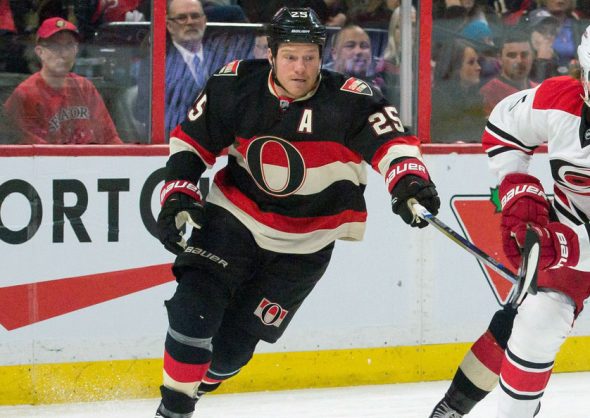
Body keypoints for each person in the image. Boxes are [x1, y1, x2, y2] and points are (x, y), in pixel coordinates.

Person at [153, 7, 441, 418]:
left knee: (230, 354)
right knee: (192, 308)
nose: (300, 67)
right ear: (271, 54)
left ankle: (193, 387)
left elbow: (394, 143)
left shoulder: (350, 99)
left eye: (309, 57)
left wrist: (409, 181)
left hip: (306, 243)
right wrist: (179, 193)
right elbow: (190, 144)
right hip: (234, 218)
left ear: (322, 56)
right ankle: (174, 410)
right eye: (290, 56)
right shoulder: (235, 85)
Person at [429, 24, 590, 418]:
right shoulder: (560, 101)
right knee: (530, 321)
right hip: (571, 233)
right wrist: (518, 186)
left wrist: (566, 244)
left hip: (570, 240)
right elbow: (505, 126)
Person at [3, 17, 123, 144]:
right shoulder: (26, 94)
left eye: (69, 46)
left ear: (76, 50)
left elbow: (110, 137)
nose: (63, 54)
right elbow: (19, 147)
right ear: (40, 52)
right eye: (54, 46)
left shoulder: (84, 87)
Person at [134, 0, 231, 138]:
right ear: (169, 25)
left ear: (204, 21)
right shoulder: (156, 63)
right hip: (177, 142)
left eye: (195, 16)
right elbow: (144, 112)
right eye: (181, 18)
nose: (190, 22)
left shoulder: (221, 58)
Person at [431, 39, 486, 143]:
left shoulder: (476, 98)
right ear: (455, 67)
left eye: (477, 61)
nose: (478, 67)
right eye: (471, 62)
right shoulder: (439, 101)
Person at [479, 30, 537, 115]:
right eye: (512, 55)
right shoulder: (489, 93)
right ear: (500, 59)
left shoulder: (539, 89)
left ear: (533, 56)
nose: (519, 61)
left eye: (524, 55)